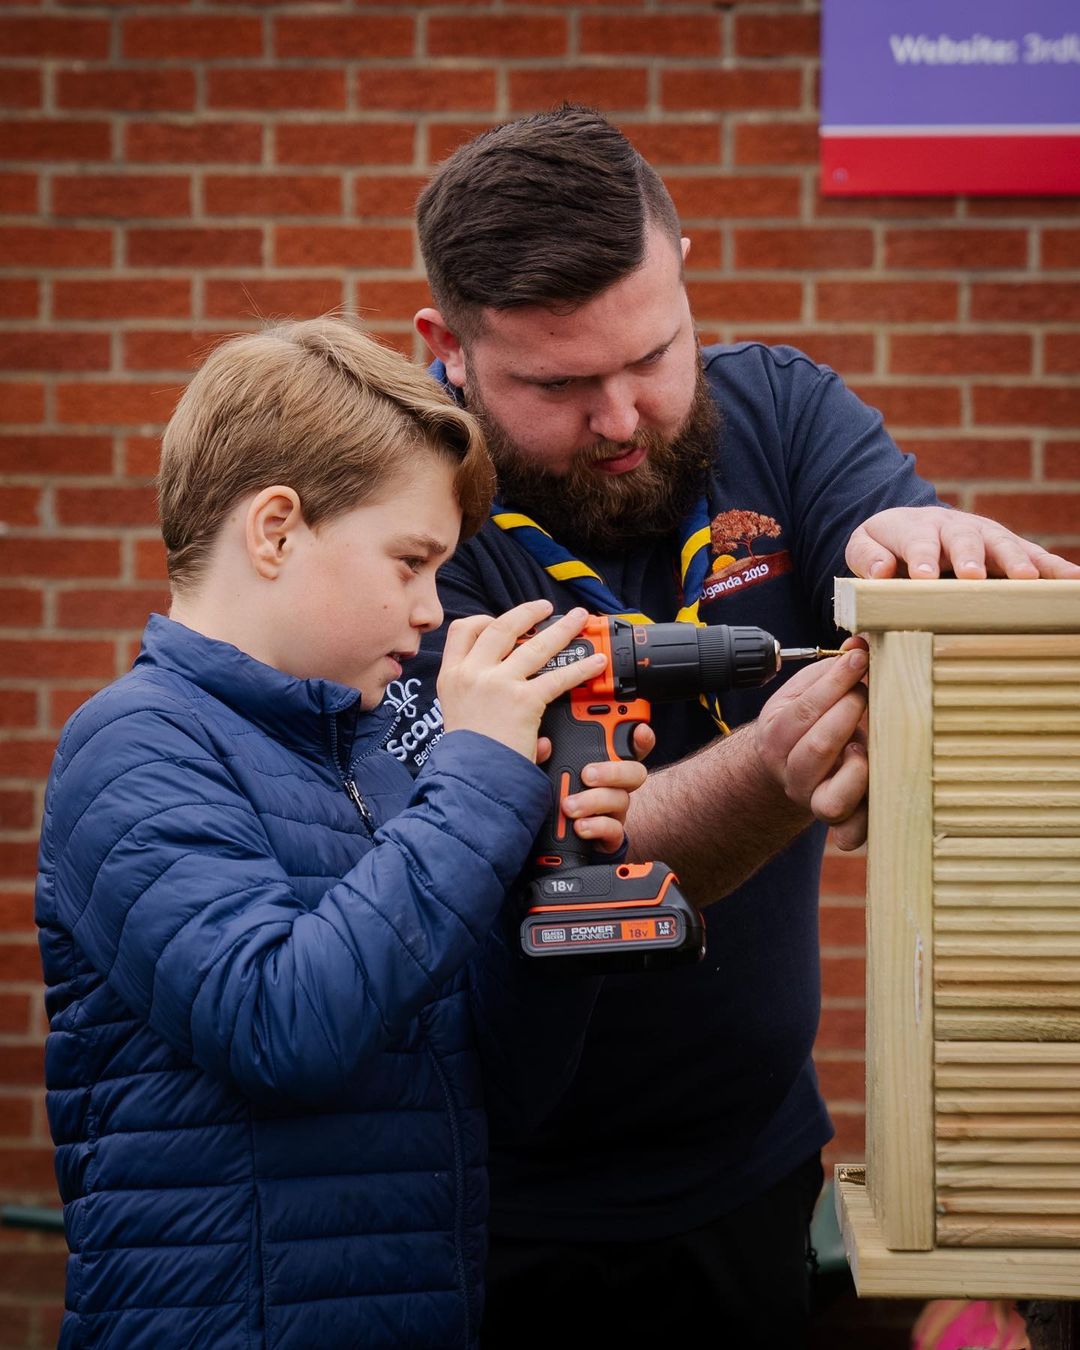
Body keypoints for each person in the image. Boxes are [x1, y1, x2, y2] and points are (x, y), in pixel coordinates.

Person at [399, 105, 1080, 1348]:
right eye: (558, 384)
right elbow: (549, 874)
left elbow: (916, 587)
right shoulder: (408, 532)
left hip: (759, 1169)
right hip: (497, 1210)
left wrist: (926, 573)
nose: (620, 418)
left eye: (654, 354)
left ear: (686, 270)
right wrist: (776, 764)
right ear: (447, 346)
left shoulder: (784, 413)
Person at [34, 317, 650, 1349]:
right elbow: (286, 1028)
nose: (429, 614)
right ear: (274, 530)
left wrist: (558, 875)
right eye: (410, 562)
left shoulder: (379, 750)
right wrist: (482, 779)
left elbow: (503, 1092)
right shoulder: (132, 747)